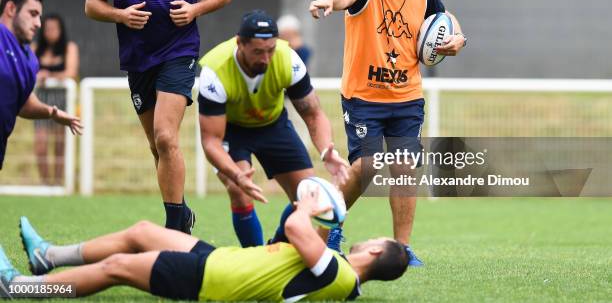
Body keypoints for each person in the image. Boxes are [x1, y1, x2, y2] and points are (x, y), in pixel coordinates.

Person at [309, 0, 466, 264]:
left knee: (405, 169)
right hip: (364, 97)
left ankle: (403, 248)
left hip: (407, 97)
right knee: (365, 168)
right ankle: (333, 226)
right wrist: (328, 1)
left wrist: (458, 38)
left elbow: (444, 16)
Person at [84, 0, 232, 234]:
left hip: (179, 53)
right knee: (157, 146)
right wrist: (120, 15)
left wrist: (195, 10)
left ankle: (174, 229)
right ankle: (181, 211)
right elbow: (91, 4)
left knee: (167, 137)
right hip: (138, 60)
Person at [0, 189, 408, 301]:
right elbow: (297, 239)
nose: (371, 237)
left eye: (378, 239)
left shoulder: (340, 278)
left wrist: (309, 204)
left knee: (118, 267)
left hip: (211, 281)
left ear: (374, 252)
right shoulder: (333, 267)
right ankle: (47, 256)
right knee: (142, 230)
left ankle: (22, 288)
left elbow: (299, 229)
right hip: (218, 260)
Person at [198, 9, 349, 247]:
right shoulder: (215, 71)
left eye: (270, 50)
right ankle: (255, 257)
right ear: (240, 43)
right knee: (238, 190)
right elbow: (210, 142)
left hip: (272, 125)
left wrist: (326, 151)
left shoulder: (289, 60)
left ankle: (276, 245)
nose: (266, 59)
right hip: (232, 129)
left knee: (307, 193)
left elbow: (313, 114)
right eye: (258, 51)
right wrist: (237, 175)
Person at [0, 0, 82, 172]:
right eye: (33, 13)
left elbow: (24, 103)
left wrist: (52, 113)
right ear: (10, 9)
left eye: (40, 16)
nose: (38, 23)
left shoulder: (29, 60)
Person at [31, 14, 80, 185]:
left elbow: (71, 72)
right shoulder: (35, 47)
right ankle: (45, 184)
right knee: (41, 145)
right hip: (41, 101)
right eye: (47, 28)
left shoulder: (69, 48)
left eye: (54, 28)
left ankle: (58, 184)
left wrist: (50, 75)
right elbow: (28, 71)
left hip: (62, 100)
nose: (51, 32)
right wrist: (38, 76)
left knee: (60, 146)